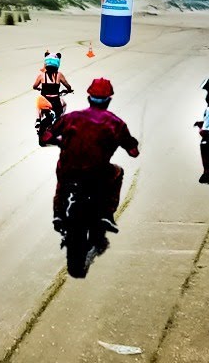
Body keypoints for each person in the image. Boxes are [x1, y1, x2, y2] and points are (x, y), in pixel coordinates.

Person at [42, 77, 139, 244]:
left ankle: (58, 214)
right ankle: (107, 214)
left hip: (69, 169)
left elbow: (46, 137)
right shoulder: (116, 123)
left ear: (89, 98)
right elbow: (133, 152)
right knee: (118, 172)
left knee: (62, 179)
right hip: (98, 173)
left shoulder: (71, 117)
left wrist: (60, 142)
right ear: (108, 100)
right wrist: (128, 145)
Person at [32, 52, 73, 117]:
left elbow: (34, 86)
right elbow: (67, 85)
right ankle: (59, 120)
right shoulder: (59, 75)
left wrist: (38, 88)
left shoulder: (42, 75)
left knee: (38, 105)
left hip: (44, 99)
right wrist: (69, 90)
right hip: (56, 101)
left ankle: (38, 119)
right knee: (64, 105)